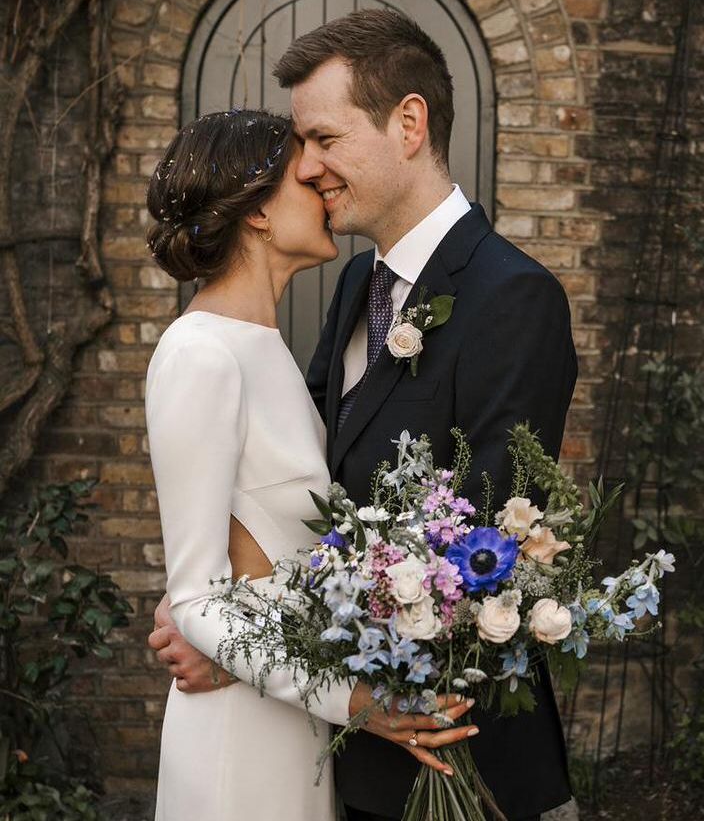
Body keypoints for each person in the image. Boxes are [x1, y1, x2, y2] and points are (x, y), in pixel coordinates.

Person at [149, 9, 577, 821]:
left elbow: (484, 547)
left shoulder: (513, 298)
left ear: (408, 124)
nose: (309, 167)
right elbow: (312, 497)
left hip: (452, 755)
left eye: (324, 138)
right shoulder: (355, 289)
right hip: (343, 753)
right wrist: (217, 616)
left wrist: (239, 643)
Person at [144, 109, 476, 821]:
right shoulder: (200, 354)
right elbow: (196, 596)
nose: (325, 183)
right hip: (240, 743)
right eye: (305, 175)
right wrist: (359, 703)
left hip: (293, 721)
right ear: (259, 212)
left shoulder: (267, 349)